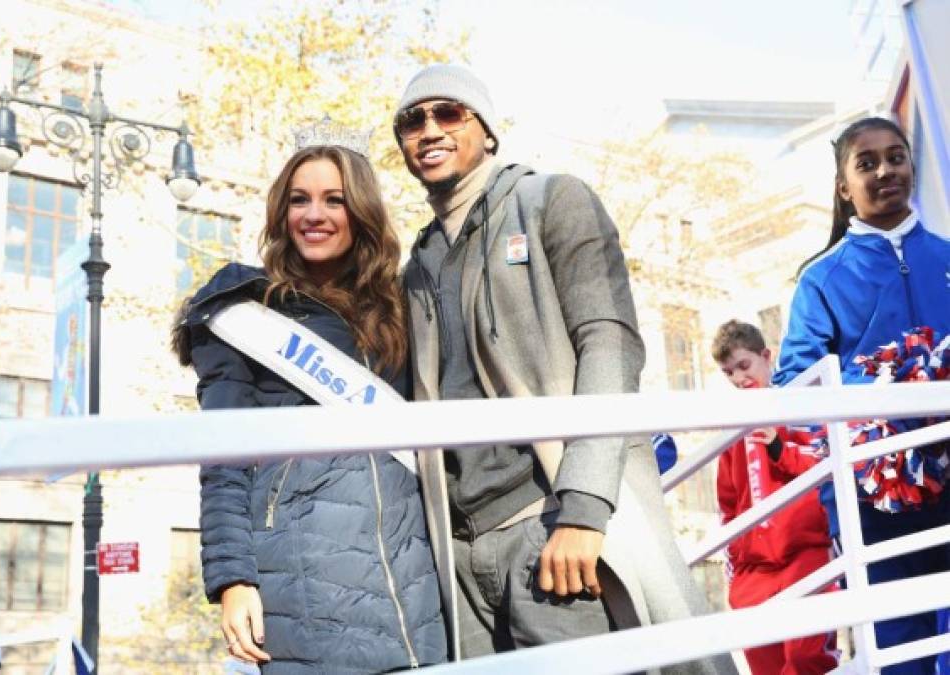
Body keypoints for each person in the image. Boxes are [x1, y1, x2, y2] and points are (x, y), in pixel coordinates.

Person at [394, 63, 735, 673]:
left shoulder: (552, 198)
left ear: (487, 131)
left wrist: (580, 511)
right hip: (463, 554)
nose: (429, 129)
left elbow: (611, 343)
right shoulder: (415, 266)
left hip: (550, 525)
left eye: (448, 112)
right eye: (411, 120)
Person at [172, 137, 446, 673]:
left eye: (333, 200)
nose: (314, 215)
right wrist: (233, 579)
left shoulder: (399, 312)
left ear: (360, 211)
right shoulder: (248, 315)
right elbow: (223, 461)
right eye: (299, 200)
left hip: (412, 577)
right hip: (304, 578)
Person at [772, 116, 950, 674]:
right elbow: (794, 385)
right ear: (844, 187)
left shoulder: (946, 255)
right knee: (900, 646)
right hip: (874, 491)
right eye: (866, 163)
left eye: (895, 157)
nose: (885, 171)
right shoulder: (821, 279)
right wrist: (884, 390)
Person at [712, 321, 838, 674]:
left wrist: (780, 448)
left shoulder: (797, 404)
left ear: (767, 357)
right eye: (728, 373)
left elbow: (825, 459)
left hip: (803, 552)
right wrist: (733, 562)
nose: (738, 378)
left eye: (744, 365)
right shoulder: (731, 429)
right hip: (755, 565)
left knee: (805, 657)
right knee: (762, 661)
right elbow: (727, 501)